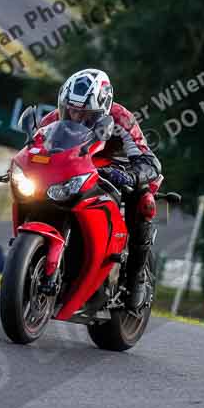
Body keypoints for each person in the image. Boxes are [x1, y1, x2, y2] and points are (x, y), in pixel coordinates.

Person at [39, 69, 162, 311]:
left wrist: (130, 175)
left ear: (103, 108)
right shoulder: (52, 119)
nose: (74, 116)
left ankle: (136, 278)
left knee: (144, 199)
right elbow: (33, 151)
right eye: (70, 109)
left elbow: (150, 162)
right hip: (76, 171)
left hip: (116, 172)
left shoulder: (121, 118)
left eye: (85, 113)